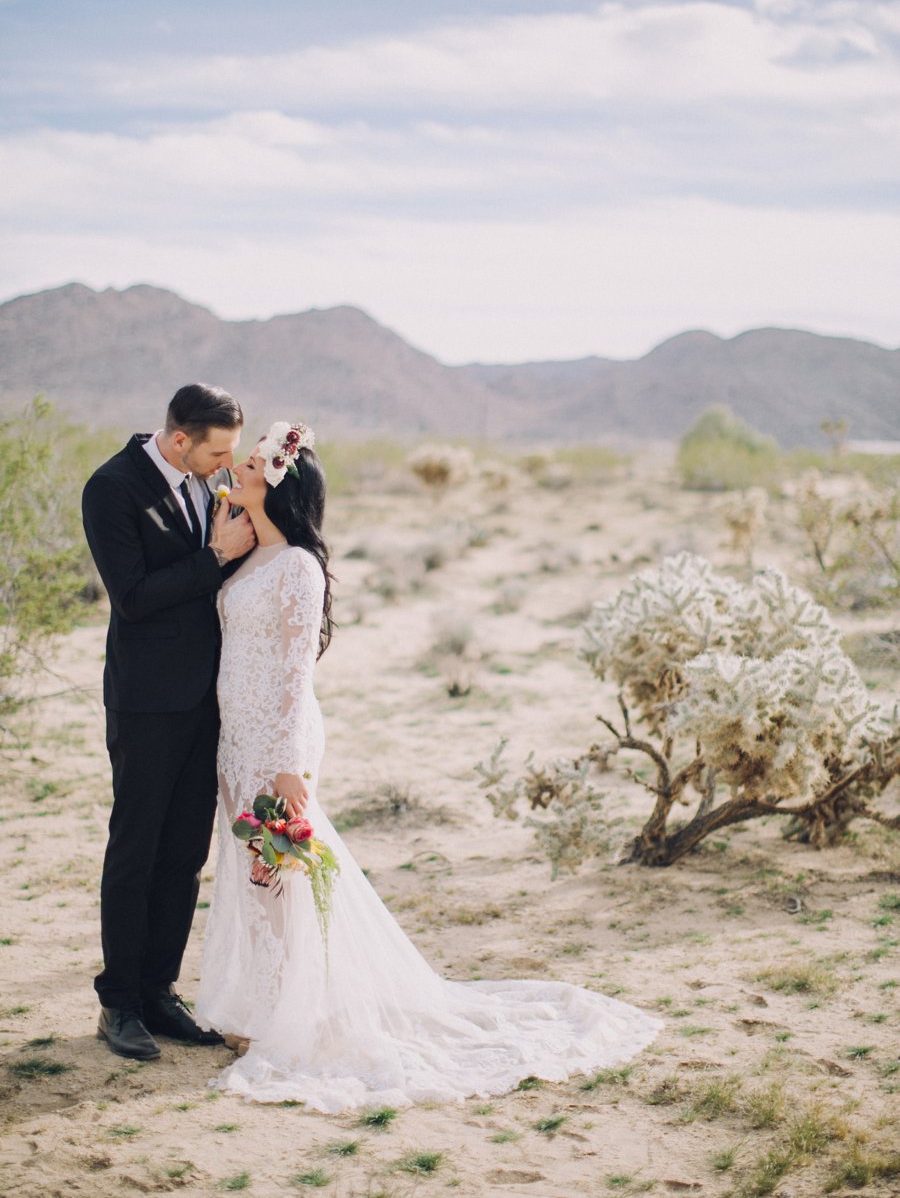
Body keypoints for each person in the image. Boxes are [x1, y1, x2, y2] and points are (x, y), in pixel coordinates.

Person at [196, 420, 662, 1111]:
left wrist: (289, 762)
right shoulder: (243, 558)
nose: (243, 470)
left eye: (257, 467)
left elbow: (295, 673)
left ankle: (293, 1016)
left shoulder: (297, 565)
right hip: (237, 737)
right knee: (252, 873)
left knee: (285, 876)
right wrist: (219, 534)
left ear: (281, 487)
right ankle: (261, 1004)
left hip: (278, 738)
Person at [82, 383, 256, 1060]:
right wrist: (213, 557)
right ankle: (118, 1002)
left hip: (207, 701)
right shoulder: (113, 488)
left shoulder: (207, 484)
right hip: (147, 701)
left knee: (185, 852)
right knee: (137, 848)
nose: (224, 464)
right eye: (217, 450)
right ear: (180, 438)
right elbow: (132, 597)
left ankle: (159, 989)